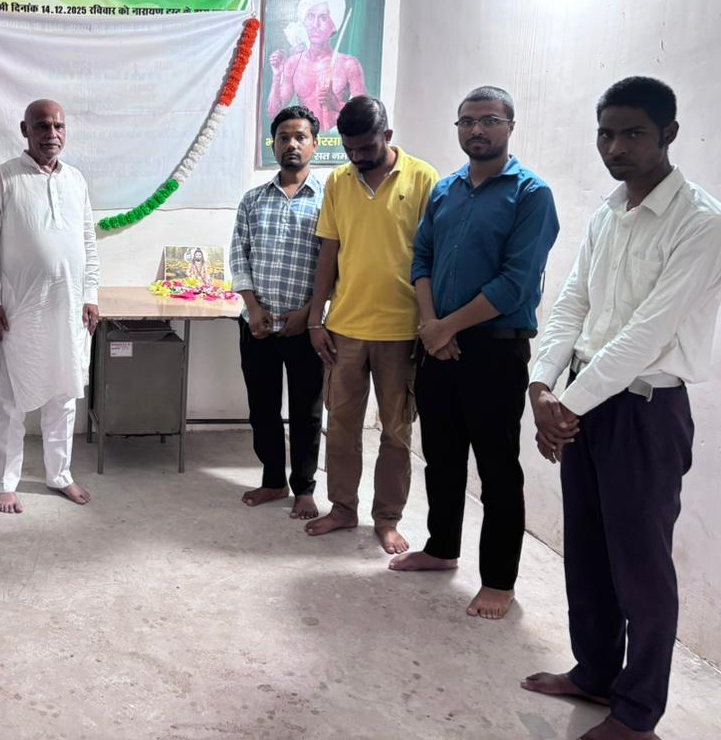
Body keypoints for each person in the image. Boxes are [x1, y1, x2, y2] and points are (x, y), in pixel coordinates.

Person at [520, 77, 721, 740]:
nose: (616, 147)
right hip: (583, 404)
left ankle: (637, 714)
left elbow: (648, 334)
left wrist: (563, 405)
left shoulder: (703, 222)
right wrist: (542, 385)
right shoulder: (609, 214)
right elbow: (572, 302)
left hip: (644, 411)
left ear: (668, 135)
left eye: (633, 133)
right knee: (587, 551)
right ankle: (595, 674)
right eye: (606, 134)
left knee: (640, 567)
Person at [389, 86, 559, 621]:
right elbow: (421, 258)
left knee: (497, 467)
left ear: (510, 126)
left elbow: (516, 281)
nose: (477, 130)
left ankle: (499, 581)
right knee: (440, 457)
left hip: (494, 350)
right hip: (438, 343)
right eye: (467, 122)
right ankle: (441, 548)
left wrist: (447, 327)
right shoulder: (446, 190)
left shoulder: (531, 194)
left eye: (489, 120)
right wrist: (431, 326)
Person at [306, 96, 439, 554]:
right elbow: (328, 251)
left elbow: (433, 256)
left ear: (388, 136)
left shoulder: (423, 178)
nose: (357, 156)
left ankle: (387, 518)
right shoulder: (339, 182)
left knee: (396, 432)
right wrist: (316, 318)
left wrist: (430, 322)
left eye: (366, 147)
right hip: (345, 327)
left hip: (402, 331)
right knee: (341, 426)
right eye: (349, 148)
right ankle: (343, 508)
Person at [0, 99, 100, 513]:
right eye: (42, 126)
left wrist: (91, 295)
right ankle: (5, 482)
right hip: (19, 310)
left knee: (64, 395)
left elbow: (88, 243)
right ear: (25, 130)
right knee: (11, 401)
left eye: (59, 126)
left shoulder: (75, 180)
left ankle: (59, 475)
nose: (52, 134)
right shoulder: (3, 178)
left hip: (70, 308)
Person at [229, 106, 326, 519]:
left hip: (307, 326)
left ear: (314, 145)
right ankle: (273, 480)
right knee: (262, 408)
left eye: (300, 137)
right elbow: (239, 256)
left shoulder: (329, 201)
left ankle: (304, 487)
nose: (291, 144)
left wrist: (311, 312)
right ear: (274, 144)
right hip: (259, 325)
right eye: (284, 137)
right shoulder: (253, 200)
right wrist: (253, 308)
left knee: (307, 411)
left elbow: (336, 264)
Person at [266, 0, 368, 127]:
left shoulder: (348, 64)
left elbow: (365, 114)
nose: (315, 24)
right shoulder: (293, 63)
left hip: (338, 138)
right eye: (310, 16)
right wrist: (277, 76)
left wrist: (336, 104)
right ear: (304, 21)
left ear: (334, 25)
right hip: (305, 137)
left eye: (323, 18)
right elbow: (273, 113)